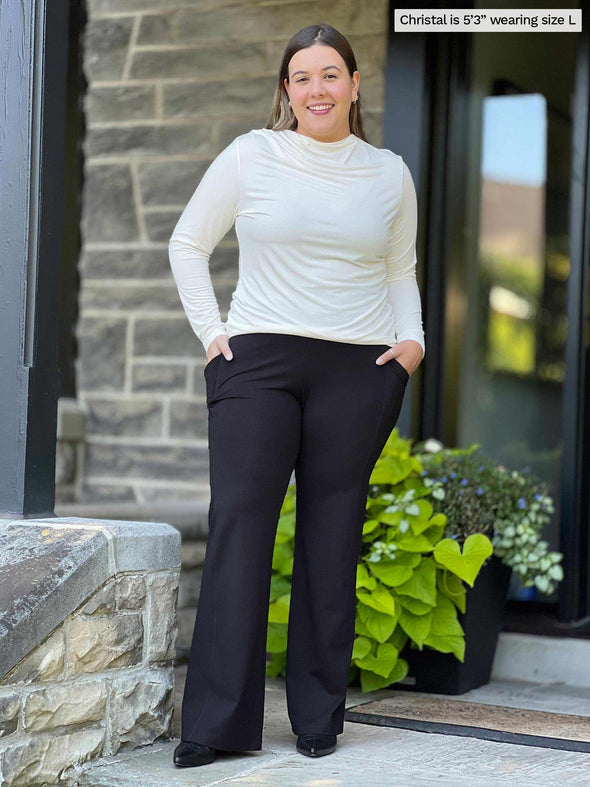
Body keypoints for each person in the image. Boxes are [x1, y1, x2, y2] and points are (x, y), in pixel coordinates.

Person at [168, 23, 425, 768]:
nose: (317, 89)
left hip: (359, 366)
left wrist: (410, 346)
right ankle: (215, 723)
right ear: (287, 90)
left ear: (354, 85)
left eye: (330, 74)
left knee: (330, 534)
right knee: (242, 525)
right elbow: (188, 242)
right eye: (302, 76)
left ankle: (318, 716)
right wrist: (213, 334)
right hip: (259, 362)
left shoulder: (389, 173)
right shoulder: (254, 154)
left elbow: (399, 268)